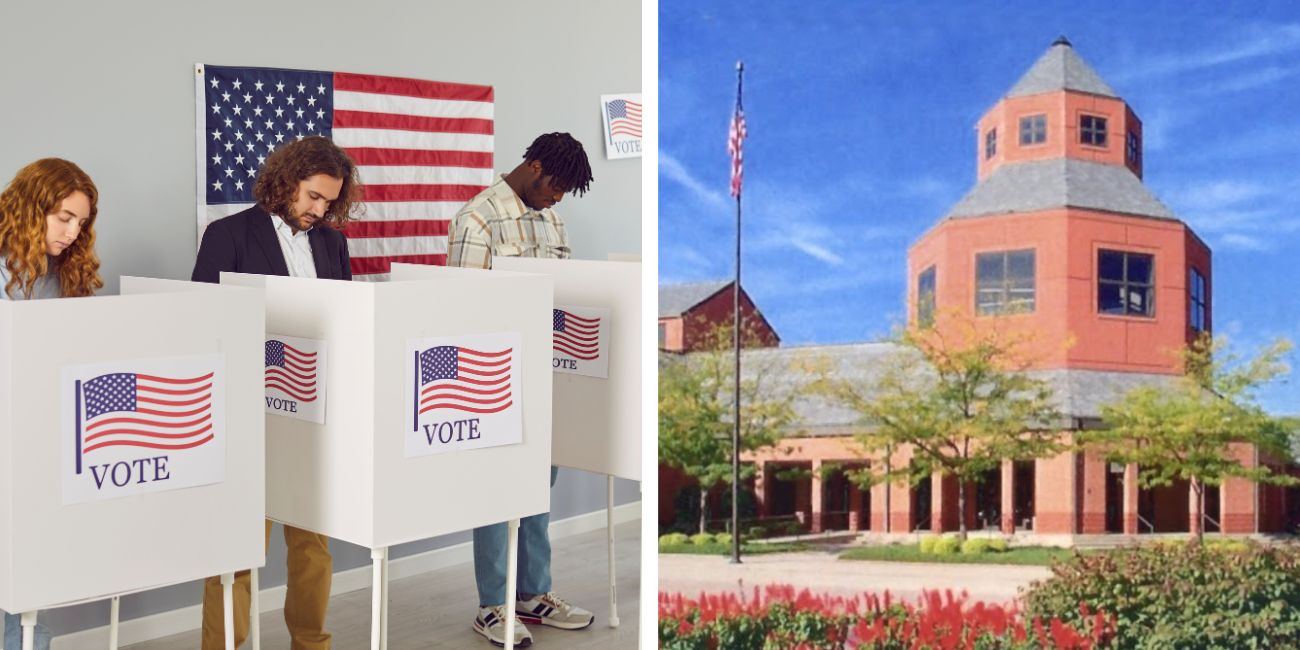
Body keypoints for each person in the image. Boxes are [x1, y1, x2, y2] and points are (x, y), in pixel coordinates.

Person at [192, 135, 358, 649]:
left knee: (312, 545)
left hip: (313, 415)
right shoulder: (228, 234)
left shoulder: (332, 243)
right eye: (312, 196)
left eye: (329, 201)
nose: (319, 209)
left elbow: (346, 324)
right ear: (286, 181)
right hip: (248, 415)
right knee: (238, 548)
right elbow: (204, 327)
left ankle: (311, 642)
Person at [447, 132, 595, 647]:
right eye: (556, 187)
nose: (558, 199)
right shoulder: (477, 219)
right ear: (533, 167)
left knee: (536, 489)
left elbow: (564, 295)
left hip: (546, 373)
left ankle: (534, 595)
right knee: (495, 492)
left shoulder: (553, 220)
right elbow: (461, 309)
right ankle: (492, 605)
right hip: (494, 381)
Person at [0, 157, 103, 649]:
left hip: (41, 448)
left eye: (80, 223)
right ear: (31, 206)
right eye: (64, 217)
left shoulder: (62, 277)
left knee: (28, 588)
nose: (71, 231)